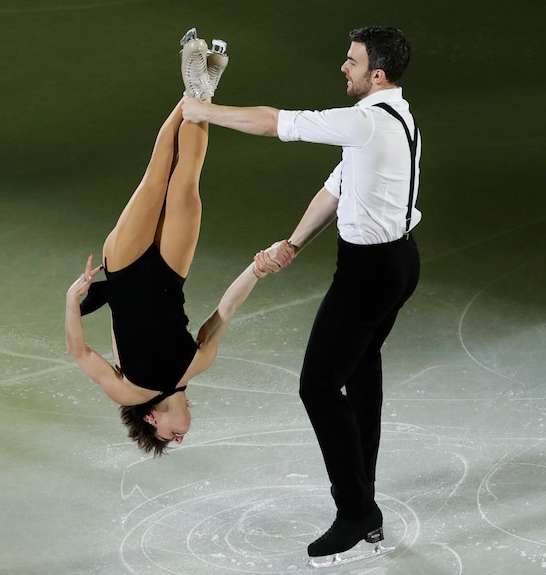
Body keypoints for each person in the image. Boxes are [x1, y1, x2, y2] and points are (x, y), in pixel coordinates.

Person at [182, 26, 421, 558]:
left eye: (352, 62)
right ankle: (368, 507)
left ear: (375, 75)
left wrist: (206, 113)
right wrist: (292, 243)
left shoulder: (363, 121)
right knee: (360, 376)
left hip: (369, 273)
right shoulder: (400, 120)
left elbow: (274, 123)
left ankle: (356, 510)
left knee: (318, 386)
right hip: (399, 263)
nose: (344, 67)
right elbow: (338, 188)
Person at [65, 29, 276, 457]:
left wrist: (73, 299)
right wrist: (256, 270)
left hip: (123, 268)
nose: (181, 435)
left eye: (169, 437)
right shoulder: (199, 364)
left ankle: (194, 93)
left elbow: (81, 353)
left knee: (158, 175)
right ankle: (200, 93)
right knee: (187, 183)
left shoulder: (129, 392)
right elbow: (226, 311)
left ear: (151, 419)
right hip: (169, 272)